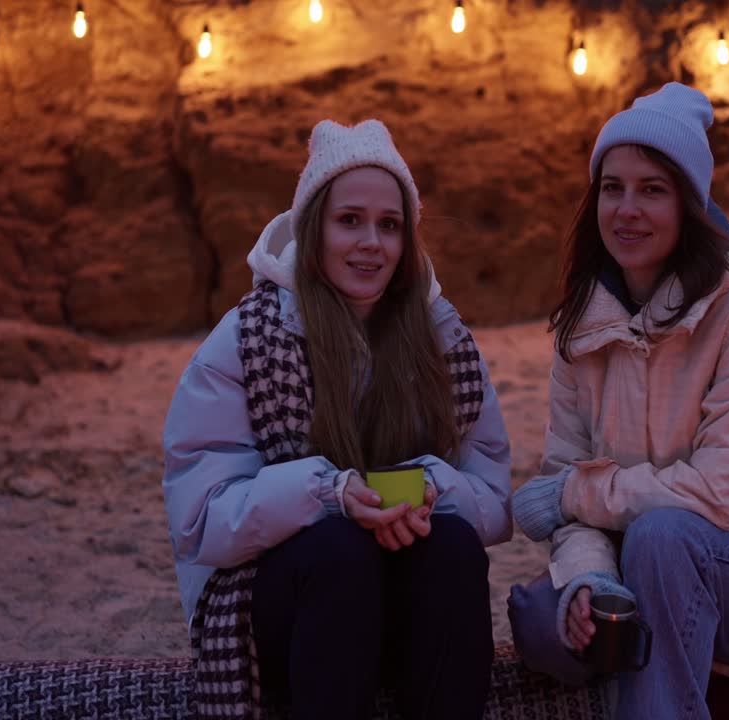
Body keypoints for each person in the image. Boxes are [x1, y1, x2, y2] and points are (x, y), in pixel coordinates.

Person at [162, 119, 513, 720]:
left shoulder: (442, 339)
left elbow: (494, 497)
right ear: (314, 227)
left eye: (390, 225)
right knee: (337, 548)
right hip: (282, 608)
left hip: (400, 593)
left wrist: (432, 489)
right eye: (350, 220)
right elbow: (199, 518)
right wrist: (328, 494)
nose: (371, 242)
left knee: (453, 545)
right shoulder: (249, 338)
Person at [508, 83, 729, 719]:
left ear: (689, 205)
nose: (626, 209)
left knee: (663, 537)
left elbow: (716, 494)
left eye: (652, 190)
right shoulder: (582, 325)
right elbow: (568, 478)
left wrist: (578, 494)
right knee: (542, 619)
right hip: (633, 564)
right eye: (612, 187)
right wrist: (590, 581)